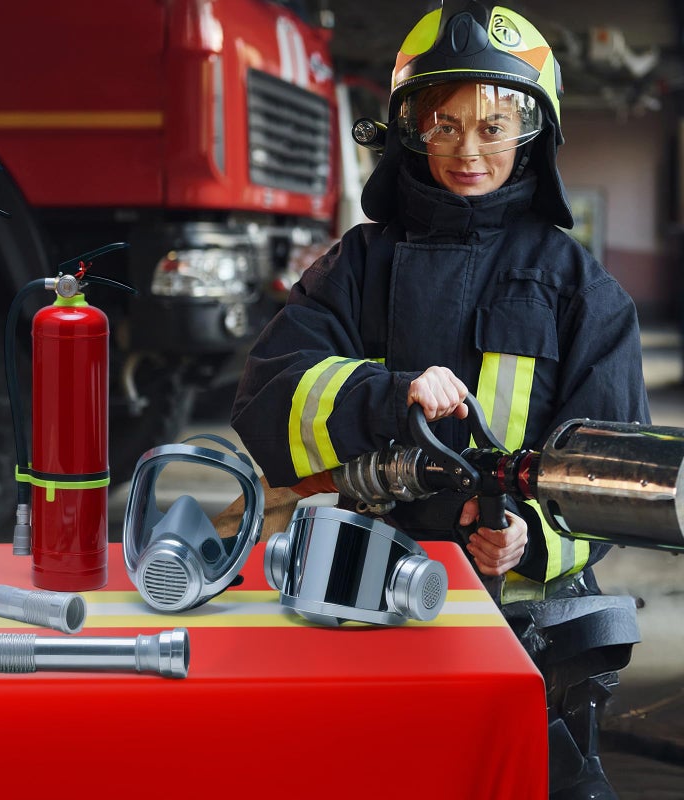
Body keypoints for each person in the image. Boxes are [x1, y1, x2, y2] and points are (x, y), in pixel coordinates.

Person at [231, 2, 649, 798]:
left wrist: (528, 534)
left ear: (535, 134)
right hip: (364, 600)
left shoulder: (580, 289)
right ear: (409, 131)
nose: (469, 149)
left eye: (495, 125)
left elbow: (612, 476)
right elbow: (267, 396)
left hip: (524, 627)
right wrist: (388, 397)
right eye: (444, 123)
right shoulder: (358, 264)